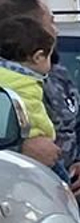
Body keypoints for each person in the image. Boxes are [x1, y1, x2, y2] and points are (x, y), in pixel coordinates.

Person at [0, 0, 80, 205]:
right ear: (26, 27)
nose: (55, 31)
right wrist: (19, 151)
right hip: (16, 213)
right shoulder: (5, 79)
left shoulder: (56, 74)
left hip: (65, 212)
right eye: (50, 21)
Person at [0, 14, 68, 182]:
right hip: (33, 151)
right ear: (38, 57)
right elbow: (35, 115)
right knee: (62, 184)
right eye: (49, 56)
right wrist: (47, 135)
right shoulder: (29, 83)